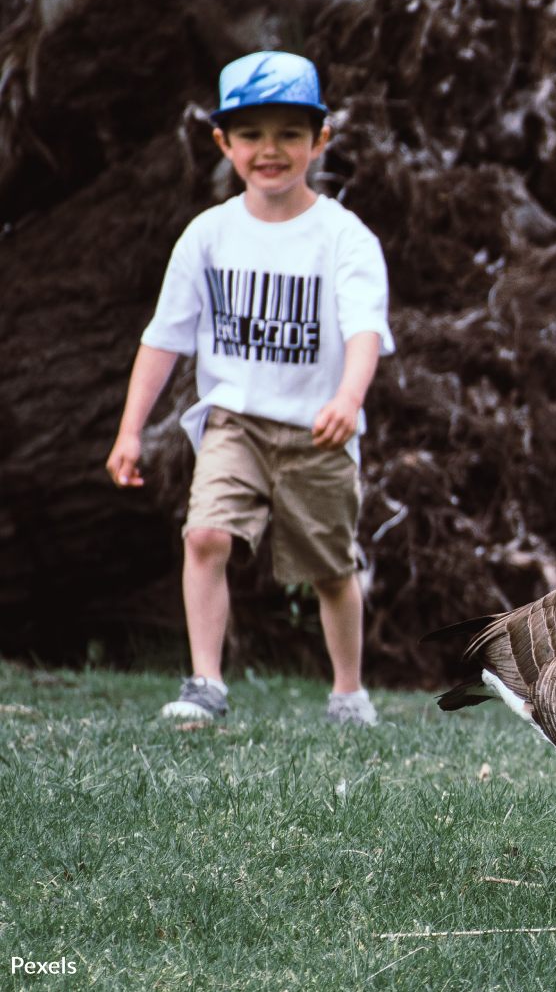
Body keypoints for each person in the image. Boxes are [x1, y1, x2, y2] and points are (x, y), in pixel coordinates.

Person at [106, 51, 394, 724]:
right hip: (233, 420)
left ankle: (348, 693)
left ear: (320, 140)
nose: (270, 150)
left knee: (330, 569)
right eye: (251, 134)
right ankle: (205, 684)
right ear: (223, 143)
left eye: (290, 133)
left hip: (317, 429)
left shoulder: (344, 238)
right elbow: (164, 338)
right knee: (205, 536)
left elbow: (365, 330)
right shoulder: (208, 236)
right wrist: (129, 431)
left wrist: (348, 399)